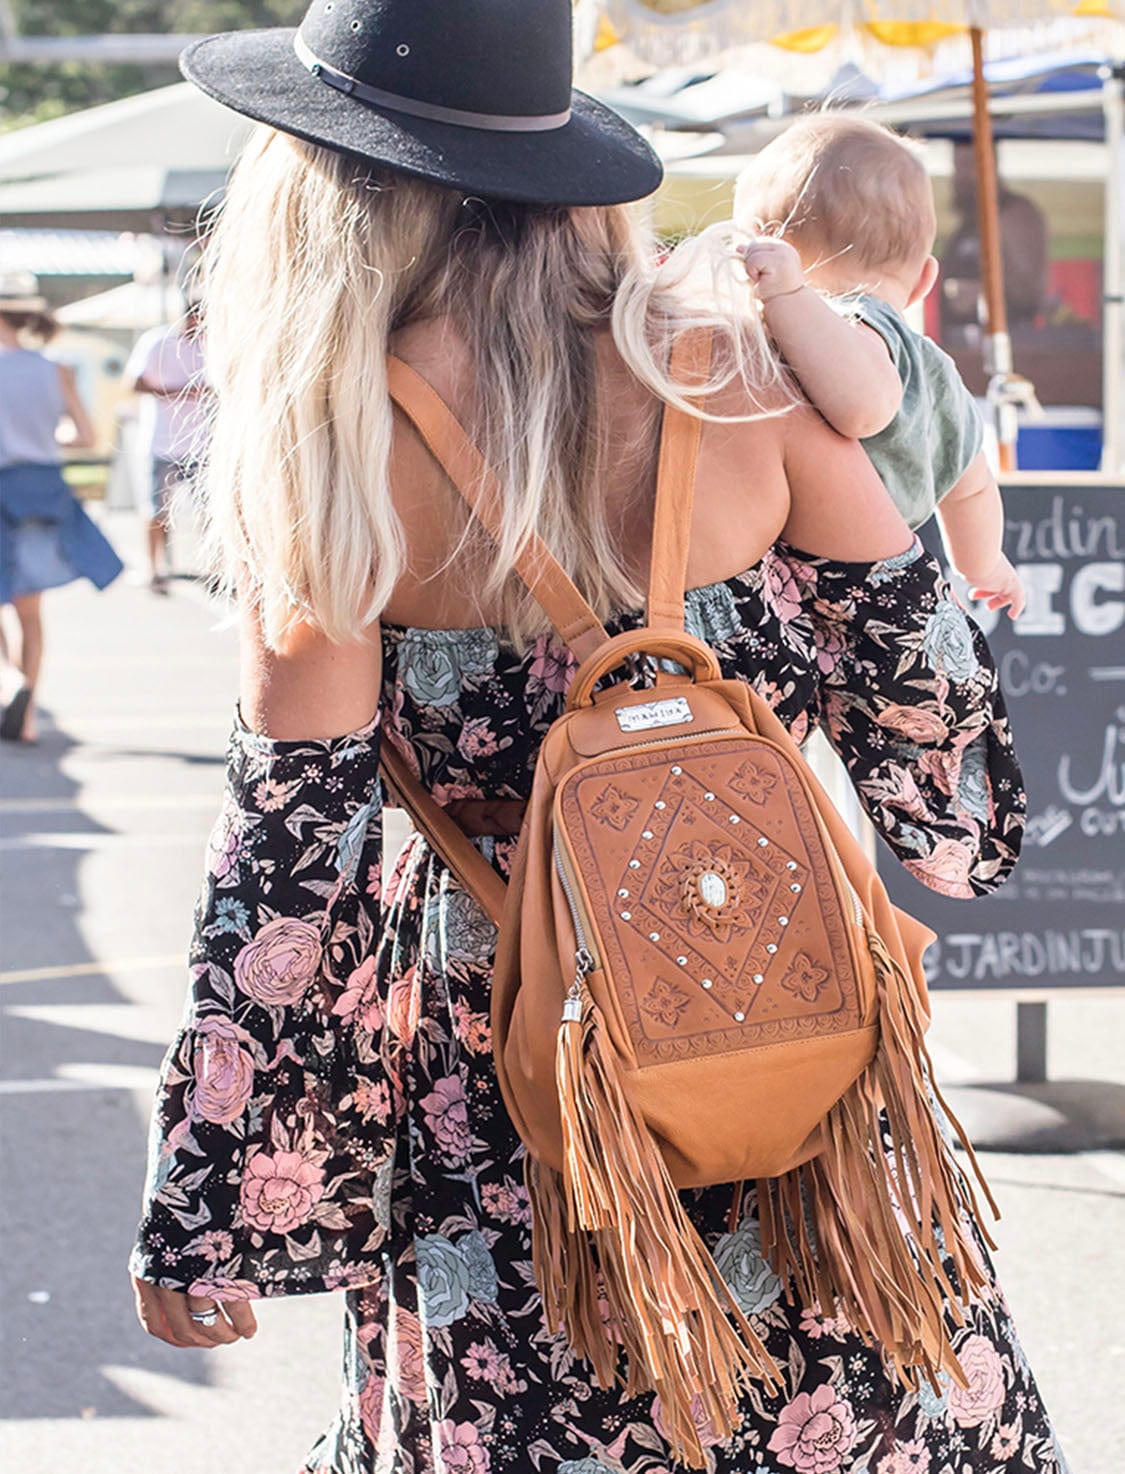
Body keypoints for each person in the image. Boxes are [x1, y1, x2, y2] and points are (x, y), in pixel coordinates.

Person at [131, 4, 1064, 1471]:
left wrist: (217, 1198)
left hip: (519, 1083)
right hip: (778, 1022)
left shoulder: (332, 461)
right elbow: (941, 750)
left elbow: (285, 884)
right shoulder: (741, 373)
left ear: (327, 190)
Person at [735, 114, 1024, 618]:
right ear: (924, 281)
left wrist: (785, 295)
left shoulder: (851, 323)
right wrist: (984, 564)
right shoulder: (937, 372)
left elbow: (865, 407)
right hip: (880, 586)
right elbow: (970, 487)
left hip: (829, 587)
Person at [0, 272, 123, 743]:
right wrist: (44, 439)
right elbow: (86, 437)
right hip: (42, 493)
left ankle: (10, 682)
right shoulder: (56, 369)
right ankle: (26, 716)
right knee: (30, 612)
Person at [124, 292, 208, 593]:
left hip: (202, 443)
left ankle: (213, 569)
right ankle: (154, 568)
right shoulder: (157, 341)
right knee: (156, 510)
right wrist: (181, 392)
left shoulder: (212, 344)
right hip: (159, 441)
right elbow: (133, 383)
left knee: (212, 512)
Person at [941, 138, 1049, 335]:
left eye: (968, 164)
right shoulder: (969, 222)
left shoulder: (1014, 214)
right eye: (957, 166)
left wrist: (981, 293)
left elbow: (1029, 290)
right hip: (964, 342)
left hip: (1010, 340)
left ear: (990, 163)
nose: (961, 176)